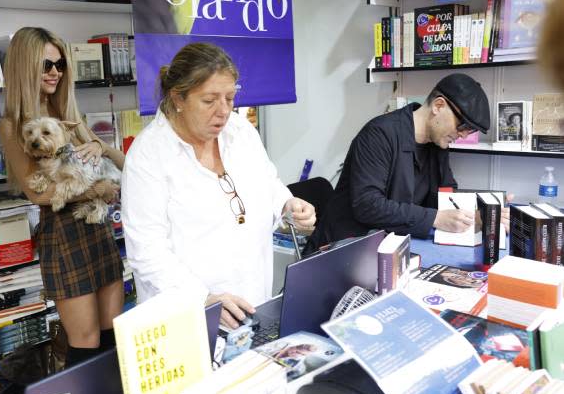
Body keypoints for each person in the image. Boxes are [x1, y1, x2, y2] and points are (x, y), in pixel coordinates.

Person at [121, 42, 316, 329]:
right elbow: (147, 252)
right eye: (210, 100)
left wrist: (289, 206)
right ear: (178, 98)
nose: (223, 111)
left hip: (251, 304)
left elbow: (269, 184)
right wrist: (203, 299)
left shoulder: (240, 132)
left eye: (230, 97)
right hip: (186, 319)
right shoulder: (149, 155)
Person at [0, 27, 125, 368]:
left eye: (60, 64)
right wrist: (96, 189)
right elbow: (39, 193)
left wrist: (101, 146)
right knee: (85, 345)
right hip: (64, 235)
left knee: (114, 337)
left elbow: (119, 166)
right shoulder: (12, 125)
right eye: (46, 65)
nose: (55, 72)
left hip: (97, 229)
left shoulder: (69, 113)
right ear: (25, 68)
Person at [309, 73, 510, 249]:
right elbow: (368, 205)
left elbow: (445, 195)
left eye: (470, 131)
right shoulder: (379, 134)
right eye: (462, 126)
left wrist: (484, 211)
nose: (464, 135)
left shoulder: (437, 144)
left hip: (392, 246)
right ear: (439, 106)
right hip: (344, 249)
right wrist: (435, 218)